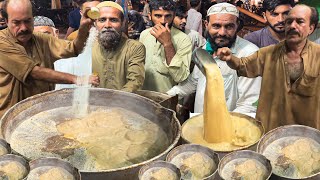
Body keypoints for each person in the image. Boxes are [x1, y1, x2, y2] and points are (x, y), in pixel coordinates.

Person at [217, 4, 320, 131]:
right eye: (289, 21)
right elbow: (242, 65)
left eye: (300, 22)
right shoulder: (268, 53)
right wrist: (230, 58)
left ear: (311, 28)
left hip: (308, 132)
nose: (293, 26)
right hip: (270, 129)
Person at [0, 0, 98, 118]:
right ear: (6, 21)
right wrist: (77, 79)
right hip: (9, 115)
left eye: (28, 21)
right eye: (16, 22)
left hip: (40, 111)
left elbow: (73, 48)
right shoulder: (2, 43)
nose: (24, 28)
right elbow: (33, 72)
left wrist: (82, 29)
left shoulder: (42, 39)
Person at [167, 3, 261, 116]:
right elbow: (192, 83)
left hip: (230, 128)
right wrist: (164, 97)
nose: (222, 32)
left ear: (237, 26)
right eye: (216, 26)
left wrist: (223, 128)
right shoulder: (205, 50)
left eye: (229, 26)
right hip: (200, 123)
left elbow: (248, 106)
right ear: (206, 24)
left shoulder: (249, 54)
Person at [92, 1, 145, 92]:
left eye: (113, 20)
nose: (107, 25)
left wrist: (116, 102)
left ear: (123, 23)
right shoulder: (88, 47)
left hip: (124, 104)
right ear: (95, 23)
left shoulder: (134, 47)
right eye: (102, 20)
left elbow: (135, 82)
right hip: (94, 103)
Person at [139, 0, 192, 93]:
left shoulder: (183, 39)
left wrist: (167, 44)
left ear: (173, 15)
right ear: (149, 16)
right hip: (143, 95)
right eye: (158, 16)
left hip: (167, 99)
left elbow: (181, 77)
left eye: (168, 16)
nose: (163, 21)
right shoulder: (144, 34)